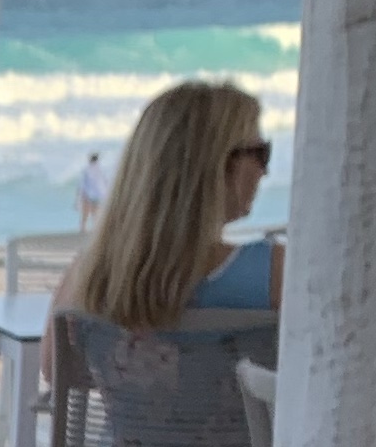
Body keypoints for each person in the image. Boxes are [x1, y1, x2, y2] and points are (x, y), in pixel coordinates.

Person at [55, 81, 281, 337]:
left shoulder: (86, 279)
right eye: (261, 153)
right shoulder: (276, 275)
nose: (264, 171)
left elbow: (59, 362)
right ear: (219, 164)